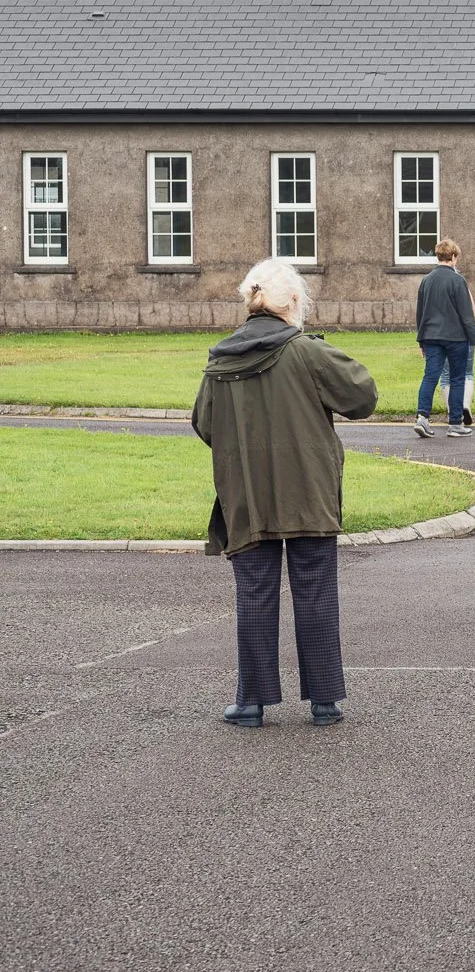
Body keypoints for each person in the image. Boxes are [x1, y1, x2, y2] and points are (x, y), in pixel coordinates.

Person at [192, 259, 379, 729]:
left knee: (254, 594)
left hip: (247, 494)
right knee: (315, 591)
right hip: (308, 492)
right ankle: (324, 700)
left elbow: (204, 423)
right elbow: (363, 397)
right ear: (292, 302)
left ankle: (252, 701)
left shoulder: (220, 359)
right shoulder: (307, 352)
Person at [413, 238, 475, 438]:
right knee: (457, 378)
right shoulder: (457, 280)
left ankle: (422, 418)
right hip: (456, 337)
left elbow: (420, 312)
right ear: (453, 256)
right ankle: (455, 424)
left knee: (430, 376)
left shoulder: (426, 280)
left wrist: (421, 340)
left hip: (431, 336)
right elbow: (466, 314)